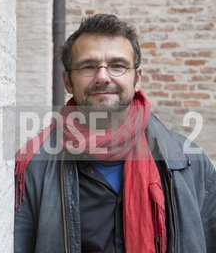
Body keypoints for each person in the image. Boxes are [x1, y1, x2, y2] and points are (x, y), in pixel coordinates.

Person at [14, 14, 216, 253]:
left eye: (117, 66)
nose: (102, 77)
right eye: (88, 66)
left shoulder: (190, 164)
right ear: (68, 81)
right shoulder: (33, 166)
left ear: (137, 78)